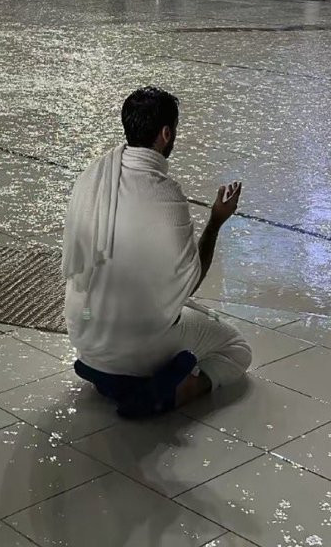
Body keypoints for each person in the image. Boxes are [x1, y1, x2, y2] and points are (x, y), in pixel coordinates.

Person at [63, 86, 251, 419]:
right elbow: (189, 282)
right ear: (166, 134)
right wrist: (216, 221)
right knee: (236, 349)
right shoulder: (164, 194)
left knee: (176, 308)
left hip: (84, 335)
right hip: (133, 349)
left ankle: (109, 376)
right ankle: (173, 391)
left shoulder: (93, 175)